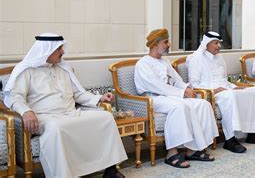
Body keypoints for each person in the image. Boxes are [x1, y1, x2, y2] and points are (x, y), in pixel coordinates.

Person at [4, 33, 127, 178]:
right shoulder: (26, 71)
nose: (63, 51)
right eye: (59, 48)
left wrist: (99, 97)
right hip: (44, 117)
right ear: (46, 50)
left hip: (71, 113)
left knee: (105, 117)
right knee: (56, 127)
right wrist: (26, 111)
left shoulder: (64, 68)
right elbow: (15, 97)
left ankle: (111, 170)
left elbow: (78, 94)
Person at [134, 29, 219, 168]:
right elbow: (156, 86)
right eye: (166, 42)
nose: (169, 44)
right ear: (155, 44)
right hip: (153, 99)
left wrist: (186, 89)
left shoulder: (165, 62)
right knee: (179, 106)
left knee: (202, 104)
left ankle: (193, 150)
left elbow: (177, 80)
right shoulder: (143, 64)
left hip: (171, 96)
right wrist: (181, 93)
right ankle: (171, 153)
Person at [186, 31, 255, 154]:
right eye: (215, 43)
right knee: (229, 96)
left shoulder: (219, 58)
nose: (218, 46)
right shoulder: (195, 58)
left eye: (219, 43)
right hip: (210, 93)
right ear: (206, 44)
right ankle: (230, 140)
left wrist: (234, 86)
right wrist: (214, 89)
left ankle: (253, 134)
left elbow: (224, 79)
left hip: (226, 89)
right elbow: (194, 84)